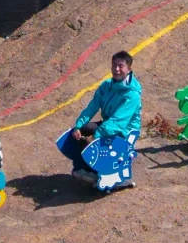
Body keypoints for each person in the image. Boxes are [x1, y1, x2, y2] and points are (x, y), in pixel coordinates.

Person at [60, 51, 142, 185]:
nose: (116, 69)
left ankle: (96, 172)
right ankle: (82, 168)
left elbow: (118, 122)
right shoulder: (106, 86)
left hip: (124, 131)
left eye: (121, 66)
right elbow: (92, 107)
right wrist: (78, 126)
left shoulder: (132, 95)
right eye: (114, 65)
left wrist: (96, 135)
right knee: (85, 129)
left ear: (129, 69)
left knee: (94, 137)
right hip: (109, 125)